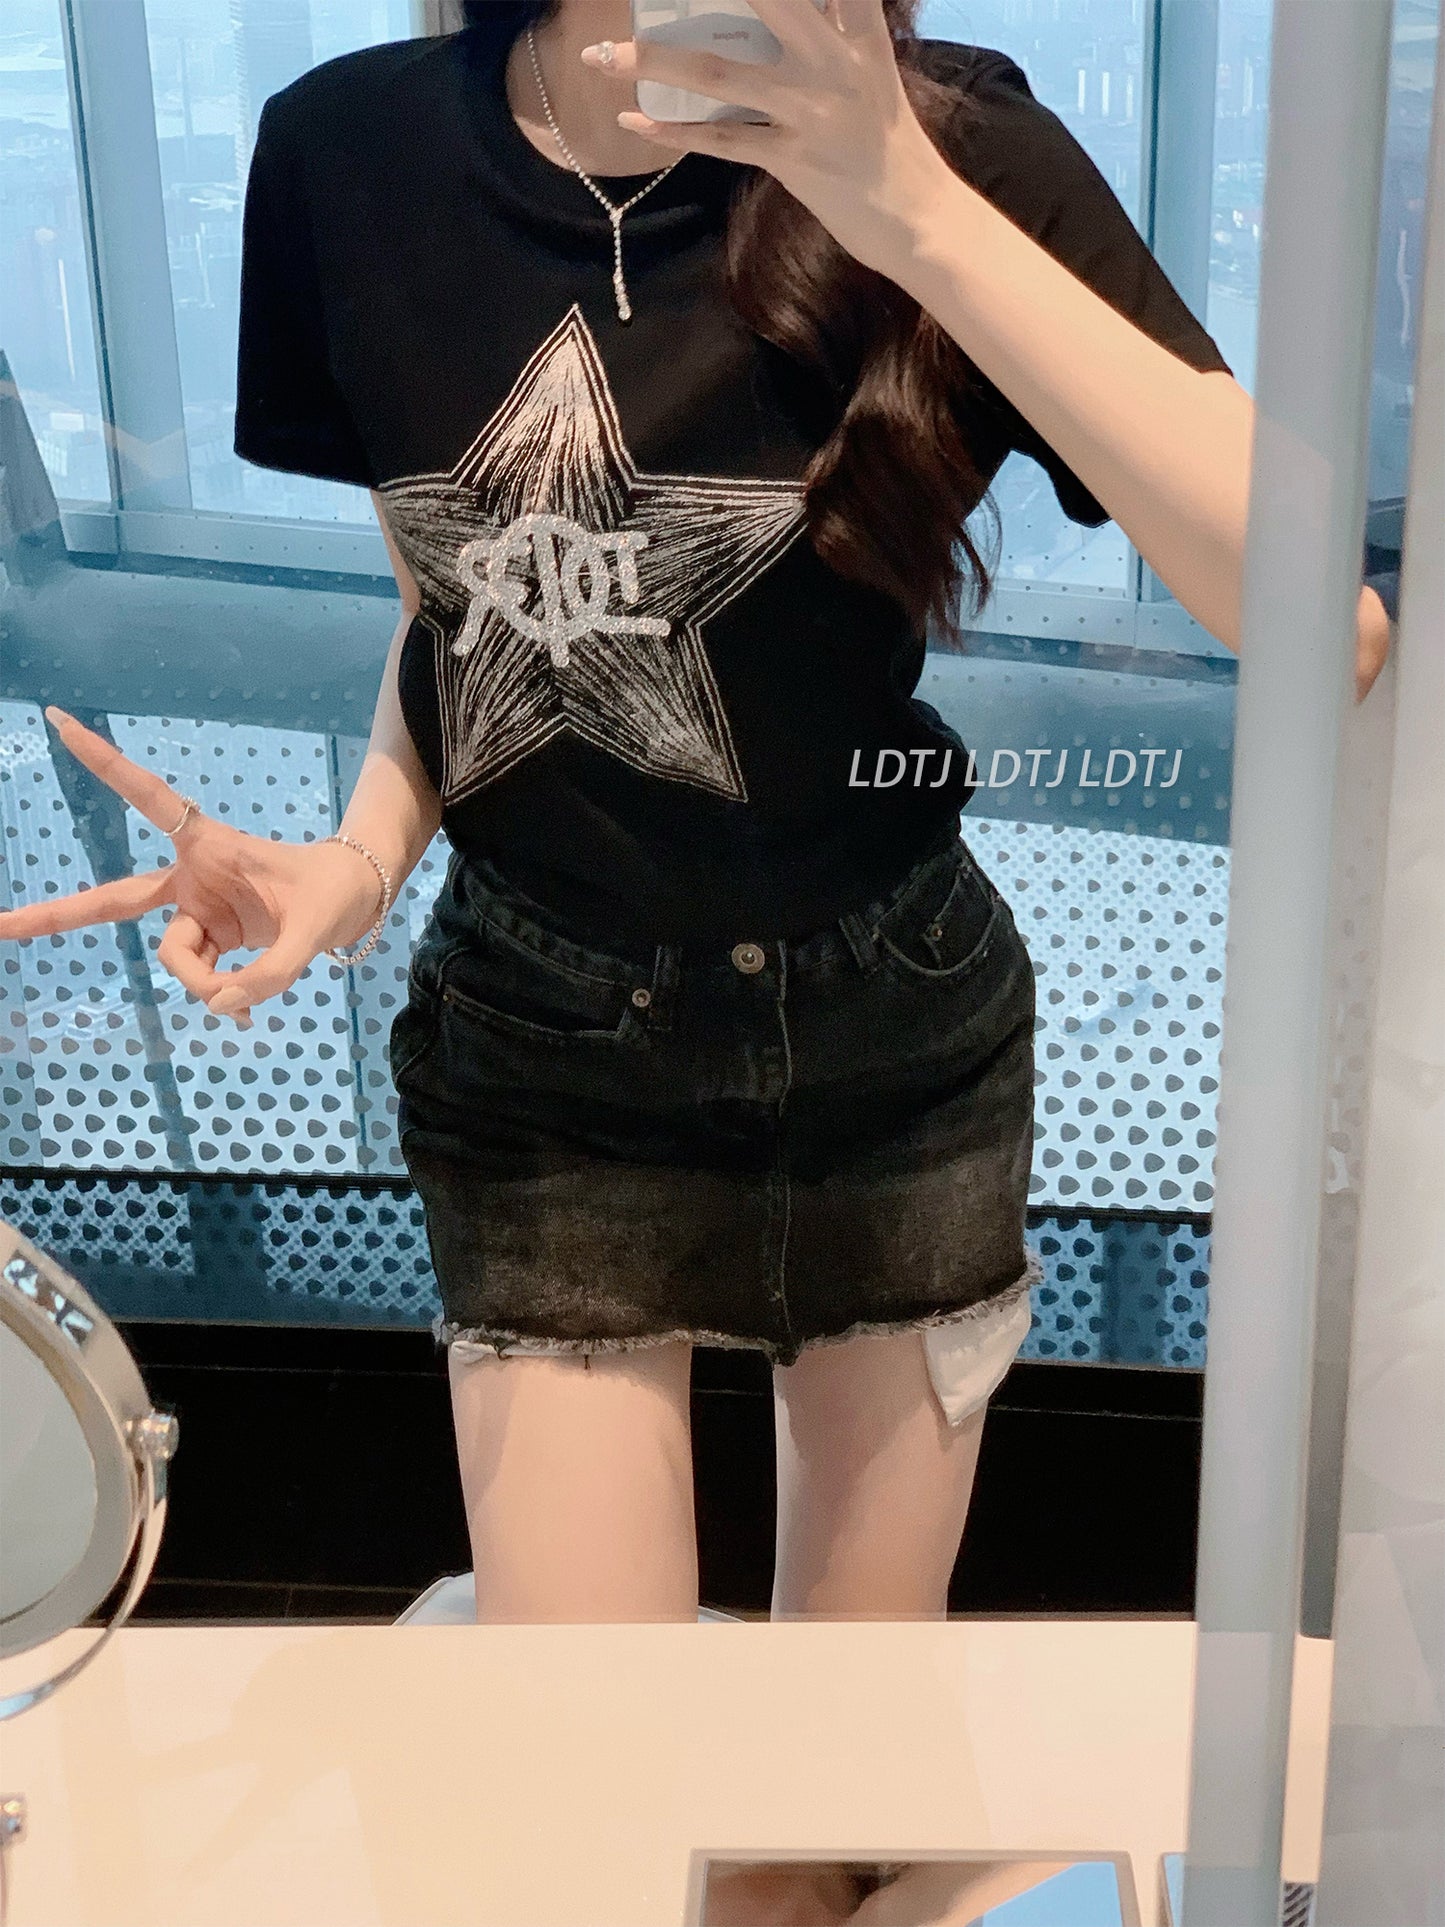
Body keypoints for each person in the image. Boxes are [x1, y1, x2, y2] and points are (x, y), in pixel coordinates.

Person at [0, 0, 1391, 1642]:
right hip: (546, 1044)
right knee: (598, 1745)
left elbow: (1327, 630)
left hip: (891, 1033)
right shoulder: (348, 151)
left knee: (840, 1745)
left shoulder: (956, 142)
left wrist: (908, 203)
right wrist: (361, 861)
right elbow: (467, 610)